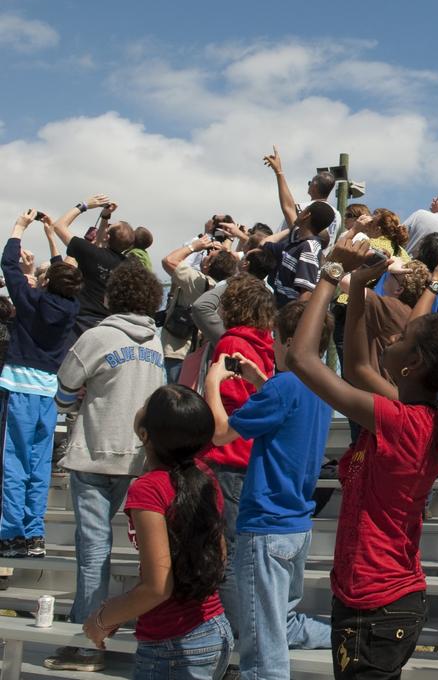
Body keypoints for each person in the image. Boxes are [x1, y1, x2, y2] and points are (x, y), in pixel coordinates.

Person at [287, 234, 438, 680]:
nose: (393, 339)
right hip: (377, 598)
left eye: (401, 338)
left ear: (412, 363)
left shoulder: (403, 422)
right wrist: (359, 288)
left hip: (376, 603)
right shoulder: (423, 417)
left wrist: (332, 274)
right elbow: (359, 368)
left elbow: (301, 358)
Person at [202, 301, 334, 680]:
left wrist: (213, 383)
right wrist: (259, 379)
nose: (272, 345)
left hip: (265, 526)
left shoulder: (282, 387)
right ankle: (345, 635)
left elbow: (221, 432)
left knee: (262, 649)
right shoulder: (321, 385)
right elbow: (286, 413)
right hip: (296, 525)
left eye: (276, 339)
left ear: (291, 341)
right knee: (284, 624)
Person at [46, 261, 166, 673]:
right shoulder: (156, 341)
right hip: (139, 458)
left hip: (96, 453)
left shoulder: (97, 337)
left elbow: (63, 389)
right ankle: (111, 625)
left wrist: (72, 402)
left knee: (93, 548)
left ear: (112, 295)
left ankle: (87, 640)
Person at [81, 385, 232, 679]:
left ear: (145, 433)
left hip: (174, 643)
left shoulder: (148, 489)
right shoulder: (205, 476)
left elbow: (157, 587)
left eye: (147, 404)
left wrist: (101, 619)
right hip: (213, 628)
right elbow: (220, 554)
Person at [0, 210, 81, 558]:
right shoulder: (72, 308)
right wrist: (51, 239)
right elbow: (62, 278)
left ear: (47, 283)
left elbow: (8, 265)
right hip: (49, 393)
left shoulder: (30, 300)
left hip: (19, 388)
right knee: (38, 463)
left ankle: (10, 533)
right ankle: (34, 534)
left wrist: (19, 228)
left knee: (13, 463)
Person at [205, 274, 278, 632]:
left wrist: (209, 388)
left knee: (227, 556)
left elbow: (232, 400)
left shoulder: (231, 343)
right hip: (252, 459)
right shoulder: (267, 344)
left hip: (229, 456)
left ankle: (235, 639)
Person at [50, 194, 132, 333]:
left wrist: (84, 205)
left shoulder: (91, 253)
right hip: (111, 325)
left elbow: (58, 226)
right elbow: (101, 243)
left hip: (81, 321)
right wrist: (105, 216)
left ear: (107, 236)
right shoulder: (131, 267)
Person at [160, 238, 237, 383]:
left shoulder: (200, 282)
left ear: (208, 265)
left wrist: (194, 246)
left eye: (209, 255)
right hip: (201, 354)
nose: (206, 254)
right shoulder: (225, 288)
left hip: (179, 350)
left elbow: (168, 260)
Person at [263, 146, 340, 247]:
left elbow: (288, 208)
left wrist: (279, 171)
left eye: (310, 183)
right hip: (318, 258)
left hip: (295, 256)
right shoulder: (337, 215)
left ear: (314, 185)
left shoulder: (305, 208)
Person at [262, 201, 334, 307]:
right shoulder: (298, 241)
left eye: (301, 211)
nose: (298, 213)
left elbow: (306, 294)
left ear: (306, 215)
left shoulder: (309, 248)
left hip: (288, 316)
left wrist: (292, 320)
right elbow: (287, 207)